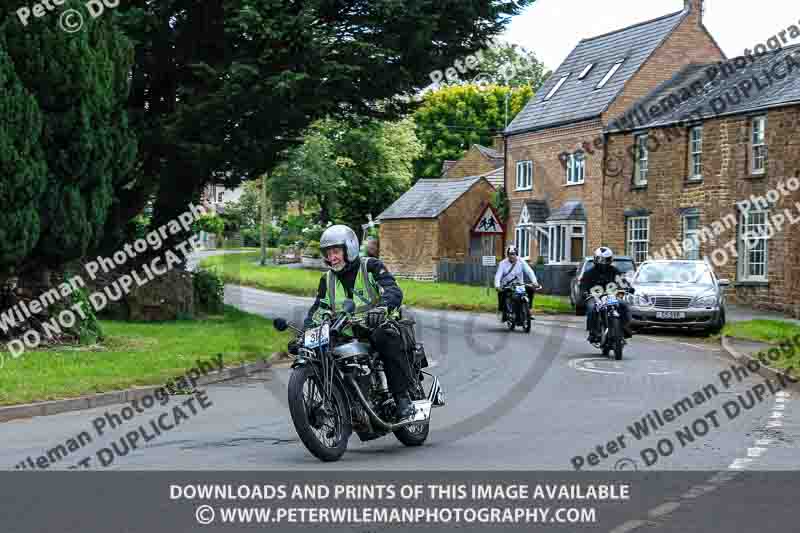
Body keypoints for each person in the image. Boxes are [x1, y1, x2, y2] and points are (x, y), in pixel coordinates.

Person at [305, 225, 415, 419]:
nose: (332, 258)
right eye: (328, 253)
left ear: (350, 248)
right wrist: (305, 332)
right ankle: (344, 404)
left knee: (385, 336)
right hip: (347, 332)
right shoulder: (327, 279)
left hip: (377, 325)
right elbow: (318, 309)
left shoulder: (371, 266)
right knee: (321, 350)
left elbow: (392, 290)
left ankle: (402, 398)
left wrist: (382, 309)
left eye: (336, 251)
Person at [580, 247, 634, 342]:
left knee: (624, 305)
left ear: (610, 260)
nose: (603, 263)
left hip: (610, 296)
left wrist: (628, 287)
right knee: (592, 309)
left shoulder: (614, 270)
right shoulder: (589, 273)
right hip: (595, 297)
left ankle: (624, 327)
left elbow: (622, 280)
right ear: (595, 259)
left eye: (606, 260)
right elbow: (583, 285)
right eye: (600, 260)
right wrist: (584, 292)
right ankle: (593, 332)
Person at [494, 245, 541, 320]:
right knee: (503, 294)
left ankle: (528, 310)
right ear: (507, 255)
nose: (512, 256)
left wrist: (534, 282)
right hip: (507, 285)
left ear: (516, 254)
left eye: (513, 254)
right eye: (510, 254)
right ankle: (504, 312)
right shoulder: (502, 263)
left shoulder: (521, 261)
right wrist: (497, 286)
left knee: (531, 290)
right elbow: (498, 276)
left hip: (520, 285)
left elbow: (529, 271)